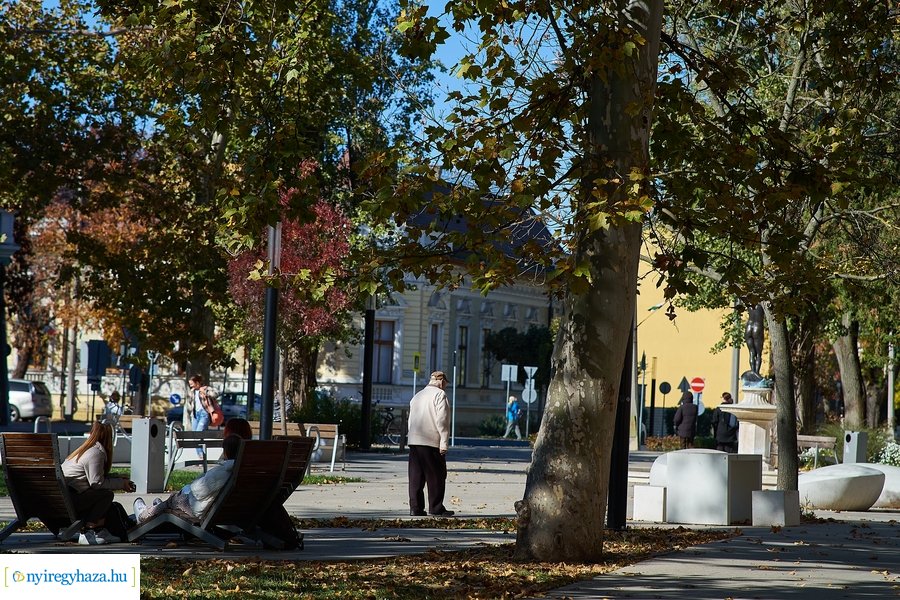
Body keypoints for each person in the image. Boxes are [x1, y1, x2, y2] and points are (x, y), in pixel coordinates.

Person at [133, 434, 242, 525]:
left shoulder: (222, 472)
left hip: (198, 509)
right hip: (220, 510)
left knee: (173, 499)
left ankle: (144, 516)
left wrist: (194, 484)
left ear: (226, 452)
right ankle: (158, 507)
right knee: (175, 499)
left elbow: (198, 490)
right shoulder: (240, 470)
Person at [62, 421, 136, 545]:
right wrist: (121, 484)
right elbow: (96, 483)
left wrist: (118, 478)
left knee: (105, 499)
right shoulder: (95, 453)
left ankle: (97, 528)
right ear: (109, 438)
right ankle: (91, 529)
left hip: (64, 499)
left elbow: (93, 477)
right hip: (72, 500)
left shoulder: (83, 450)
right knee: (106, 495)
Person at [406, 370, 454, 517]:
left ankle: (416, 508)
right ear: (440, 381)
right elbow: (442, 422)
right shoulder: (440, 395)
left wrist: (411, 437)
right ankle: (436, 507)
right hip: (431, 441)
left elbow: (410, 420)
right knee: (436, 476)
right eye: (445, 383)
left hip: (414, 441)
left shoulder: (417, 396)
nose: (445, 386)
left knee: (416, 477)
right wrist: (444, 443)